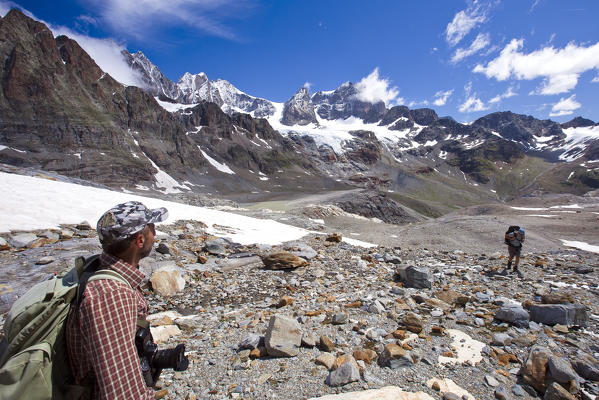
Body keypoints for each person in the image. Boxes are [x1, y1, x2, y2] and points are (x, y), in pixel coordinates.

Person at [66, 201, 168, 399]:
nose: (155, 234)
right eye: (152, 228)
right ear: (139, 240)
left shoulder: (95, 268)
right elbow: (122, 393)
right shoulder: (113, 295)